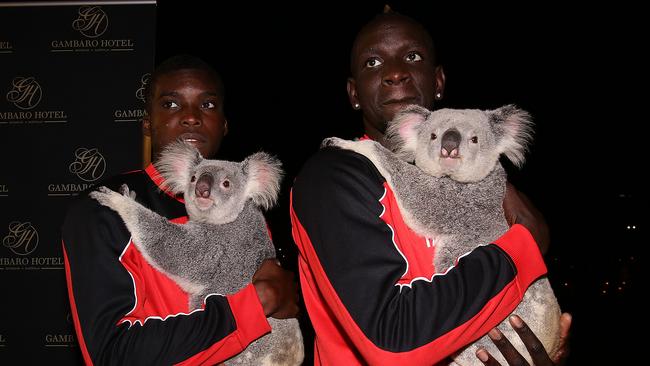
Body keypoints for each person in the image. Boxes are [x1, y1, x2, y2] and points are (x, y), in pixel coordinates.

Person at [290, 12, 571, 365]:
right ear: (353, 93)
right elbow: (392, 342)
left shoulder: (475, 172)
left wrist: (535, 347)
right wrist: (522, 247)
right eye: (373, 62)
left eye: (412, 57)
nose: (394, 72)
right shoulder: (332, 175)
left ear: (438, 81)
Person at [62, 55, 299, 365]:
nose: (191, 117)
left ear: (225, 124)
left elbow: (278, 313)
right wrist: (257, 304)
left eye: (208, 105)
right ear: (147, 122)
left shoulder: (244, 209)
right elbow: (113, 354)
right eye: (172, 104)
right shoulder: (104, 210)